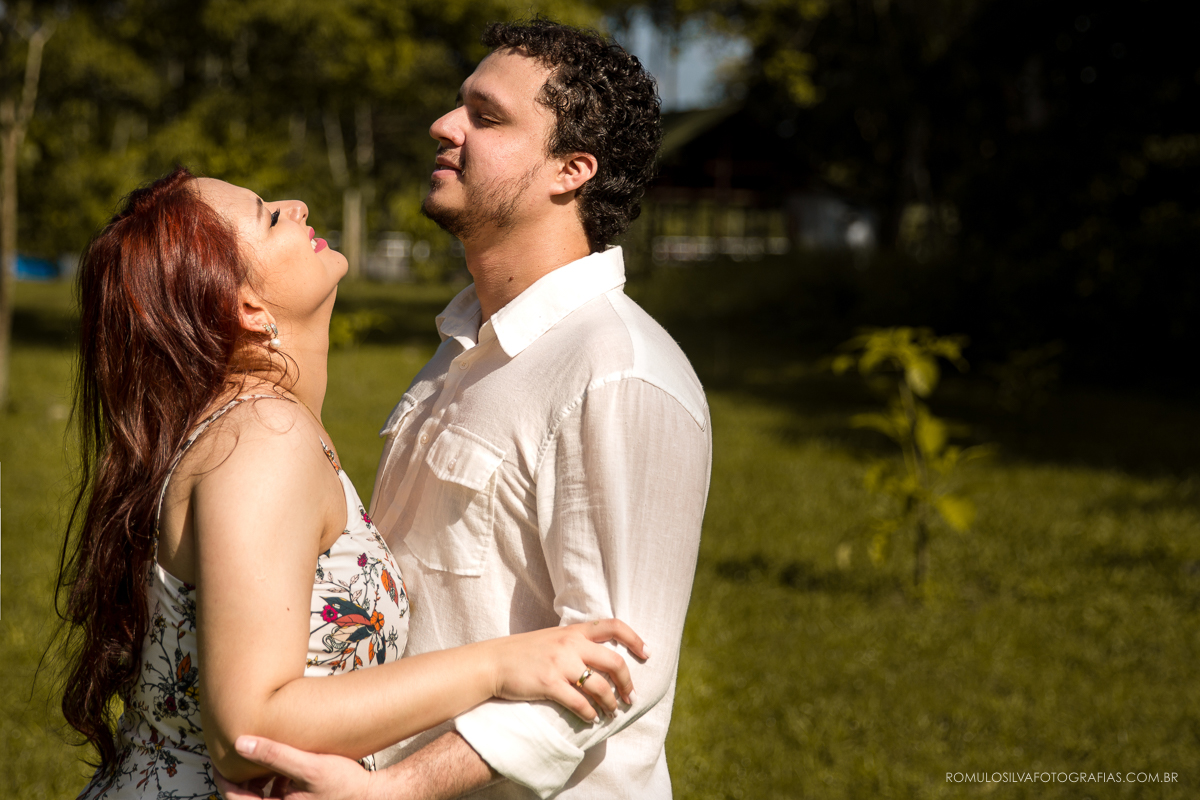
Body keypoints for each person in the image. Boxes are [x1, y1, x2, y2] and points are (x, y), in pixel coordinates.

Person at [221, 19, 712, 800]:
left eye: (486, 116)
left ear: (571, 170)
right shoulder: (460, 347)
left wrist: (404, 787)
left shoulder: (617, 373)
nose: (444, 126)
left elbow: (622, 664)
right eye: (459, 106)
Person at [55, 167, 648, 800]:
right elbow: (248, 727)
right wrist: (504, 664)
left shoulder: (257, 428)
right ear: (247, 308)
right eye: (268, 216)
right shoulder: (261, 441)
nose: (297, 204)